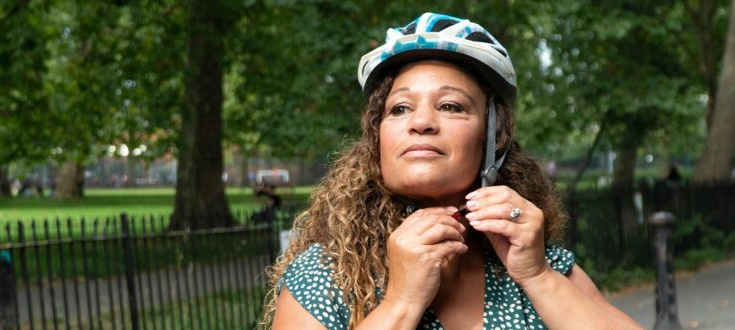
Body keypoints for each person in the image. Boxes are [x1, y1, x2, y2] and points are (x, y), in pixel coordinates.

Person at [263, 12, 641, 329]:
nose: (422, 122)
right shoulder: (325, 275)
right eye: (399, 109)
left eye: (450, 106)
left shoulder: (539, 264)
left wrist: (538, 278)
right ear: (377, 139)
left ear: (494, 137)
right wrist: (401, 302)